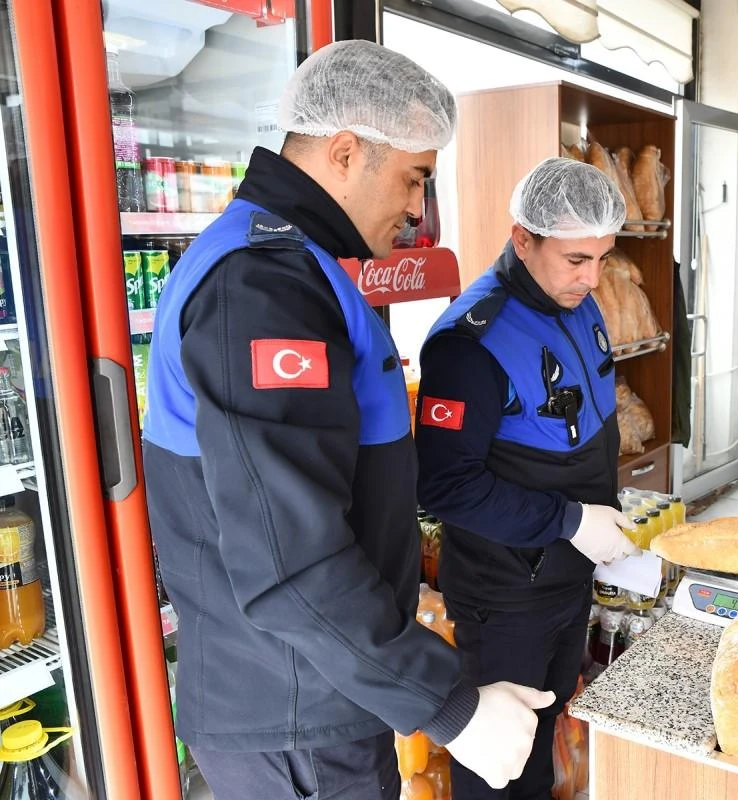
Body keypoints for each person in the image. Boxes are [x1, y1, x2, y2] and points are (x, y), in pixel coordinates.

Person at [142, 41, 552, 800]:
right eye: (415, 177)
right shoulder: (265, 286)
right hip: (295, 718)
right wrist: (452, 709)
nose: (417, 209)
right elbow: (288, 562)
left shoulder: (289, 263)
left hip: (309, 696)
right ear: (342, 153)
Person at [415, 157, 639, 800]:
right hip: (505, 596)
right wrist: (571, 520)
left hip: (568, 577)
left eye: (601, 257)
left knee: (539, 742)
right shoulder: (471, 343)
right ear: (522, 239)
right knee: (495, 764)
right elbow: (445, 486)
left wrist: (605, 521)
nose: (592, 277)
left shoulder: (578, 303)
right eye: (575, 259)